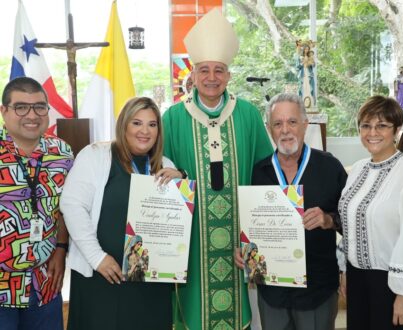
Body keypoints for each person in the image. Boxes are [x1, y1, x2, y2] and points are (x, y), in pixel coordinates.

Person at [162, 8, 274, 330]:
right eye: (204, 70)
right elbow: (161, 175)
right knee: (191, 311)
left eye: (219, 70)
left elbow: (264, 175)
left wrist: (259, 233)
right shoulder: (172, 118)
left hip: (238, 237)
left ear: (229, 76)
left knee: (238, 308)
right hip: (192, 238)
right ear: (193, 75)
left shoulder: (248, 115)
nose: (212, 78)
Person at [60, 97, 183, 330]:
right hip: (102, 276)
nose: (144, 131)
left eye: (152, 124)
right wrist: (97, 257)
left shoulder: (164, 164)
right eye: (137, 123)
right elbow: (72, 206)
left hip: (150, 284)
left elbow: (177, 222)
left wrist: (181, 185)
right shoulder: (95, 155)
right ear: (123, 125)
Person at [235, 93, 347, 330]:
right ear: (269, 128)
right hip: (272, 292)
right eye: (278, 123)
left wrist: (328, 220)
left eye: (292, 122)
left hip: (317, 290)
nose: (285, 130)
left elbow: (351, 221)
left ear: (305, 124)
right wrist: (243, 249)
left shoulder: (330, 168)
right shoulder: (257, 173)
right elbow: (248, 224)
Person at [338, 95, 403, 330]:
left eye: (382, 125)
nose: (372, 132)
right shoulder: (358, 169)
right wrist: (345, 270)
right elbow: (349, 224)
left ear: (396, 130)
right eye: (366, 125)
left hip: (392, 282)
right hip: (357, 278)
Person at [0, 77, 73, 330]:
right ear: (4, 111)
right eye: (21, 107)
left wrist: (61, 248)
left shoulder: (62, 153)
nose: (32, 115)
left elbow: (67, 207)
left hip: (45, 282)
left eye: (40, 106)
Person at [296, 42, 316, 109]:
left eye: (308, 49)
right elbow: (297, 66)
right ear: (303, 49)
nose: (306, 50)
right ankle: (302, 105)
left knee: (310, 88)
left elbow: (313, 65)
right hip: (302, 74)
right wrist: (302, 63)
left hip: (309, 74)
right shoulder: (299, 57)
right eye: (305, 49)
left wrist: (312, 63)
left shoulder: (310, 57)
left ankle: (310, 104)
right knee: (302, 88)